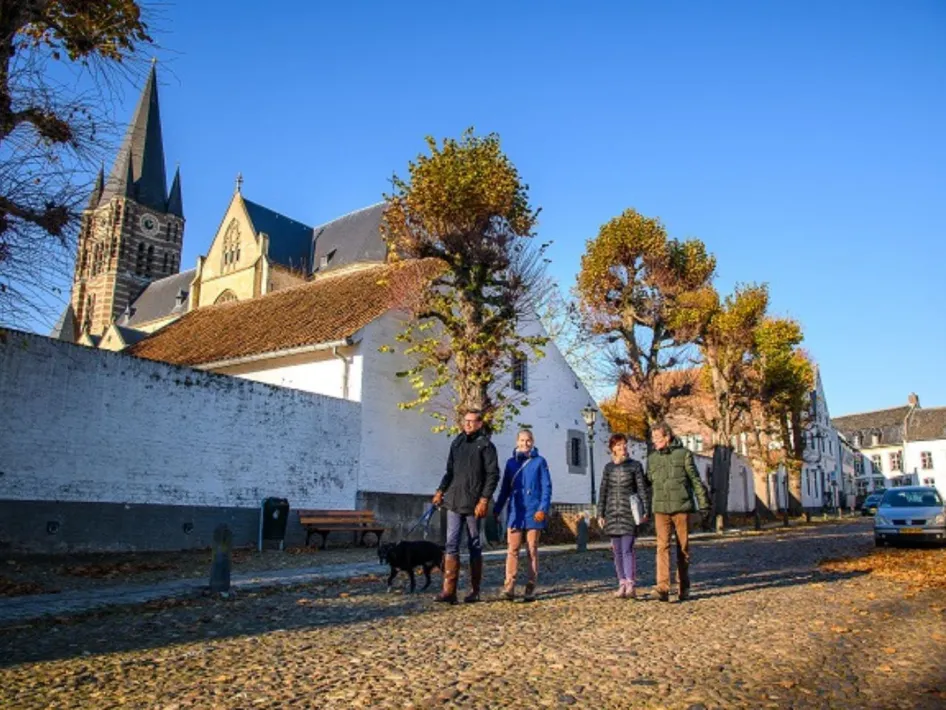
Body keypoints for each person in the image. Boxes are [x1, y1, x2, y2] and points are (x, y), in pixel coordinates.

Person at [431, 409, 500, 604]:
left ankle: (475, 590)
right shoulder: (457, 443)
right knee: (451, 544)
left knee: (474, 545)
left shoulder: (486, 446)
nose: (468, 424)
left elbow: (493, 475)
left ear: (479, 423)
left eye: (472, 421)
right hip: (453, 501)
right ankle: (449, 591)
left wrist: (484, 499)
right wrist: (440, 490)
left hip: (474, 503)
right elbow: (449, 471)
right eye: (466, 421)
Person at [646, 422, 710, 602]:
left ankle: (684, 586)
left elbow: (695, 480)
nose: (654, 442)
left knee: (683, 548)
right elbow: (648, 481)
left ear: (667, 437)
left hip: (682, 508)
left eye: (657, 438)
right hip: (660, 509)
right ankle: (662, 587)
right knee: (662, 547)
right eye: (653, 439)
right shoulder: (652, 459)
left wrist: (703, 504)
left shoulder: (684, 455)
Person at [493, 429, 552, 602]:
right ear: (517, 442)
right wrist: (497, 508)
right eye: (522, 440)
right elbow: (505, 489)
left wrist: (543, 508)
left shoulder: (540, 462)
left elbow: (546, 487)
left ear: (532, 442)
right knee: (513, 549)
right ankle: (509, 585)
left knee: (532, 549)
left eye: (528, 440)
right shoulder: (511, 463)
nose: (525, 444)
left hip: (534, 511)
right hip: (516, 511)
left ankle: (531, 585)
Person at [597, 433, 649, 599]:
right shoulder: (608, 468)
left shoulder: (635, 466)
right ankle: (621, 582)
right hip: (612, 513)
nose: (622, 448)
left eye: (624, 445)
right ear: (613, 448)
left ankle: (631, 583)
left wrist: (645, 509)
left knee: (627, 549)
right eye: (619, 445)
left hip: (629, 512)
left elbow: (642, 489)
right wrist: (600, 513)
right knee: (617, 551)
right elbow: (603, 491)